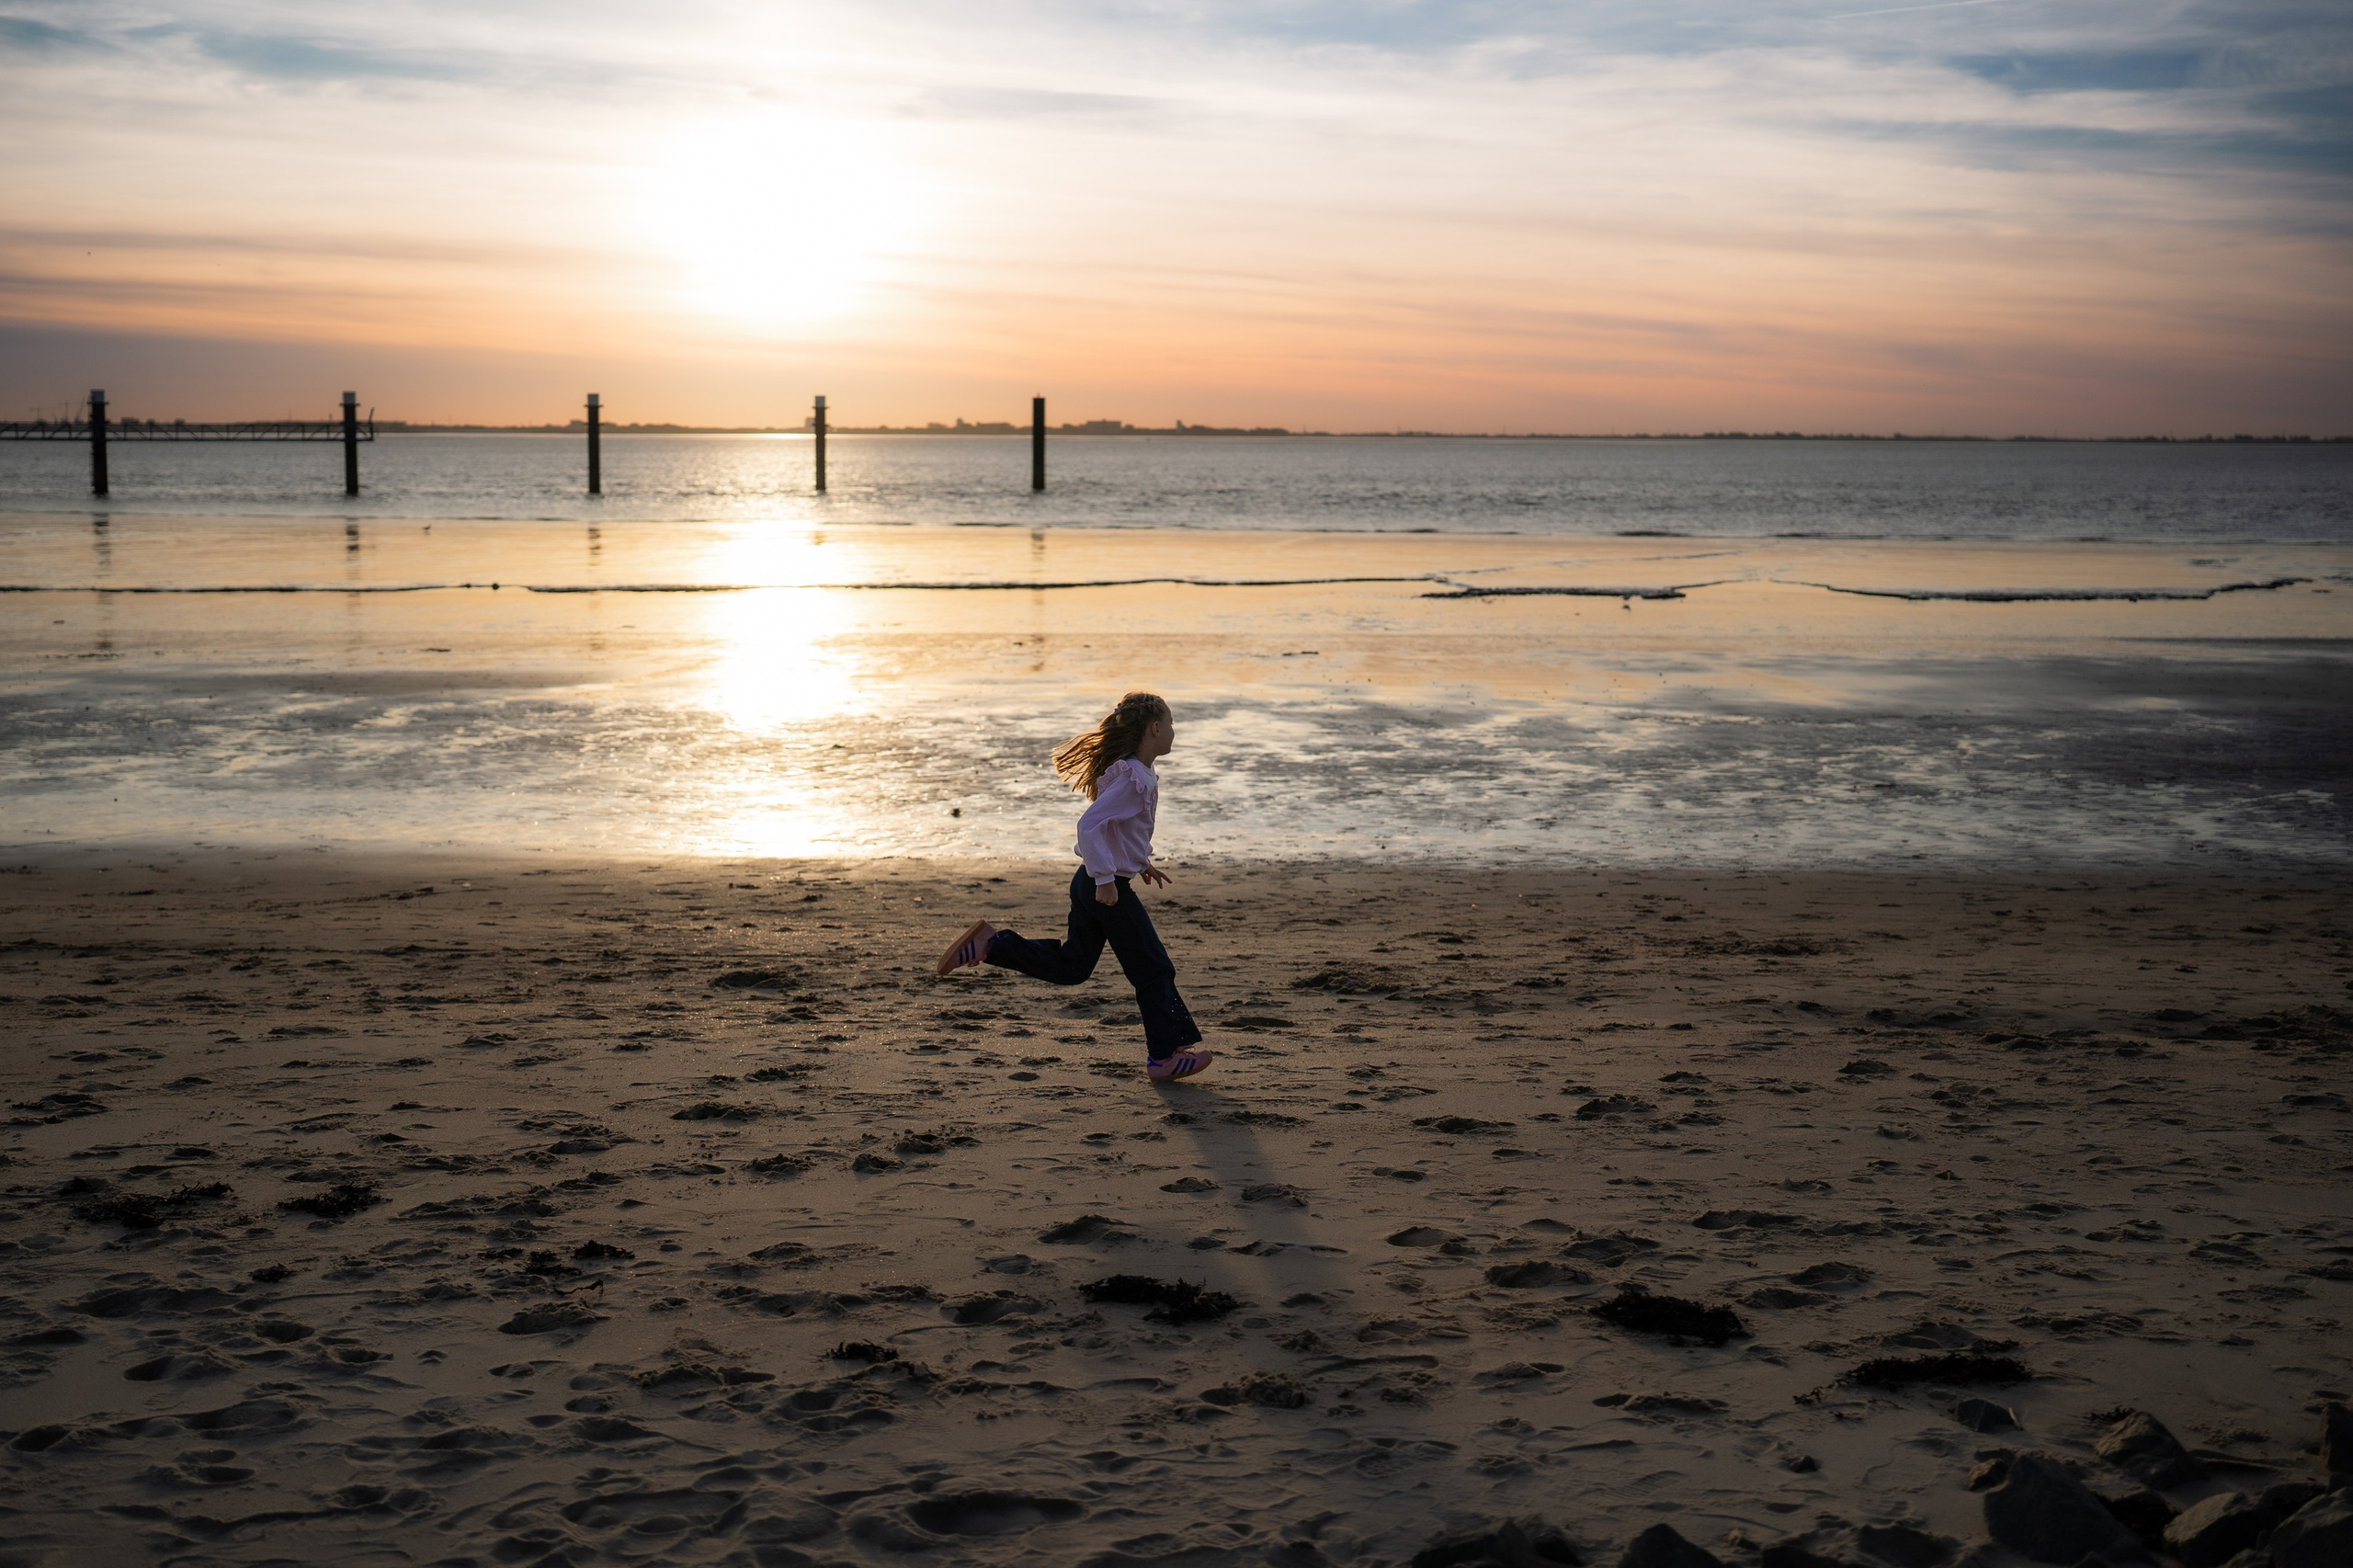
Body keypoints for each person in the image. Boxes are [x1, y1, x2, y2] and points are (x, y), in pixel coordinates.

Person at [936, 692, 1212, 1083]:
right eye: (1171, 724)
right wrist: (1106, 880)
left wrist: (1140, 862)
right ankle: (1164, 1056)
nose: (1173, 731)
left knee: (1073, 966)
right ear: (1154, 729)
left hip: (1094, 881)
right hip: (1105, 889)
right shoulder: (1133, 777)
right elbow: (1089, 825)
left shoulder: (1136, 773)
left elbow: (1119, 830)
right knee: (1153, 967)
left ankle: (990, 945)